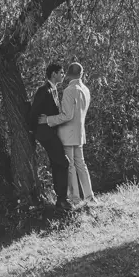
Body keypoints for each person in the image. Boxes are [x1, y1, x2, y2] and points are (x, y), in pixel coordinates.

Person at [39, 62, 93, 203]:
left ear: (69, 74)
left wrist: (48, 120)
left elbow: (67, 115)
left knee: (70, 166)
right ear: (81, 74)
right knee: (81, 164)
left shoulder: (70, 90)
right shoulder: (86, 90)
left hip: (67, 133)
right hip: (79, 133)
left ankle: (74, 197)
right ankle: (89, 195)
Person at [30, 63, 71, 210]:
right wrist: (35, 131)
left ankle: (60, 200)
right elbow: (33, 112)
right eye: (61, 72)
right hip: (45, 133)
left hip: (51, 132)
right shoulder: (43, 91)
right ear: (53, 74)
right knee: (64, 162)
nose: (63, 75)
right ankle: (62, 199)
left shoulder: (54, 90)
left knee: (57, 163)